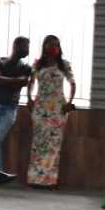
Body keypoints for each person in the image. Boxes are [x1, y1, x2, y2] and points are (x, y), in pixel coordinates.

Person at [26, 35, 77, 188]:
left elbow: (72, 83)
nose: (53, 48)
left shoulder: (64, 65)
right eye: (49, 45)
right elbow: (31, 82)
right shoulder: (38, 64)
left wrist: (69, 102)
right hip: (40, 108)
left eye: (56, 45)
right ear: (44, 47)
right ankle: (35, 179)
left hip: (58, 109)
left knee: (54, 145)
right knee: (38, 143)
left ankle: (50, 181)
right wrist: (29, 99)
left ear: (59, 48)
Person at [0, 36, 32, 173]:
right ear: (16, 46)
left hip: (10, 109)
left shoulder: (26, 67)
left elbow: (22, 81)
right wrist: (13, 81)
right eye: (25, 46)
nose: (27, 50)